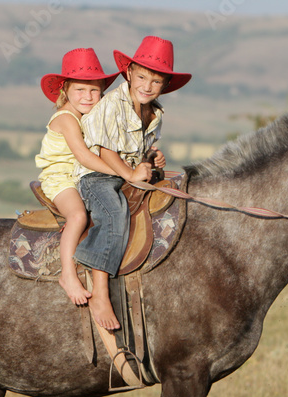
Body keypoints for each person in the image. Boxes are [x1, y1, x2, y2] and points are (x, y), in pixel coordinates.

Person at [73, 36, 191, 330]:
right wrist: (129, 174)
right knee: (113, 213)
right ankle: (100, 292)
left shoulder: (154, 112)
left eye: (156, 81)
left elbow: (138, 152)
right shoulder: (113, 104)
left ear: (165, 85)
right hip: (97, 175)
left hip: (125, 173)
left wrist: (152, 158)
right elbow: (106, 152)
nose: (147, 86)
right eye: (141, 77)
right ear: (129, 73)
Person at [36, 49, 120, 306]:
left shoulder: (90, 117)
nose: (88, 96)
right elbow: (83, 156)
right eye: (80, 90)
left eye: (94, 90)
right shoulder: (66, 118)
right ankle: (68, 275)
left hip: (80, 176)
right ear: (65, 90)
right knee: (78, 216)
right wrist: (122, 172)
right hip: (60, 177)